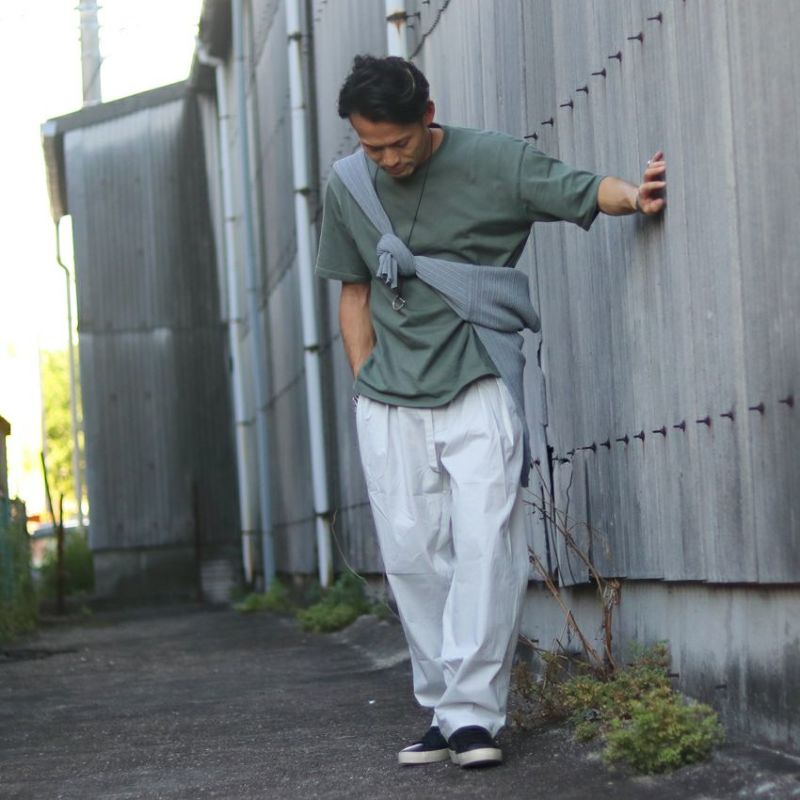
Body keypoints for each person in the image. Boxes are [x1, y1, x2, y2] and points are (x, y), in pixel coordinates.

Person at [315, 55, 666, 769]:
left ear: (427, 114)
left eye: (398, 143)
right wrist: (366, 383)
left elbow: (578, 190)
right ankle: (443, 709)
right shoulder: (349, 184)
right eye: (371, 147)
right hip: (389, 399)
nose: (387, 160)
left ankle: (473, 717)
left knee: (486, 547)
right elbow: (354, 291)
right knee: (412, 558)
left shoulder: (493, 161)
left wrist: (635, 195)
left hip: (478, 378)